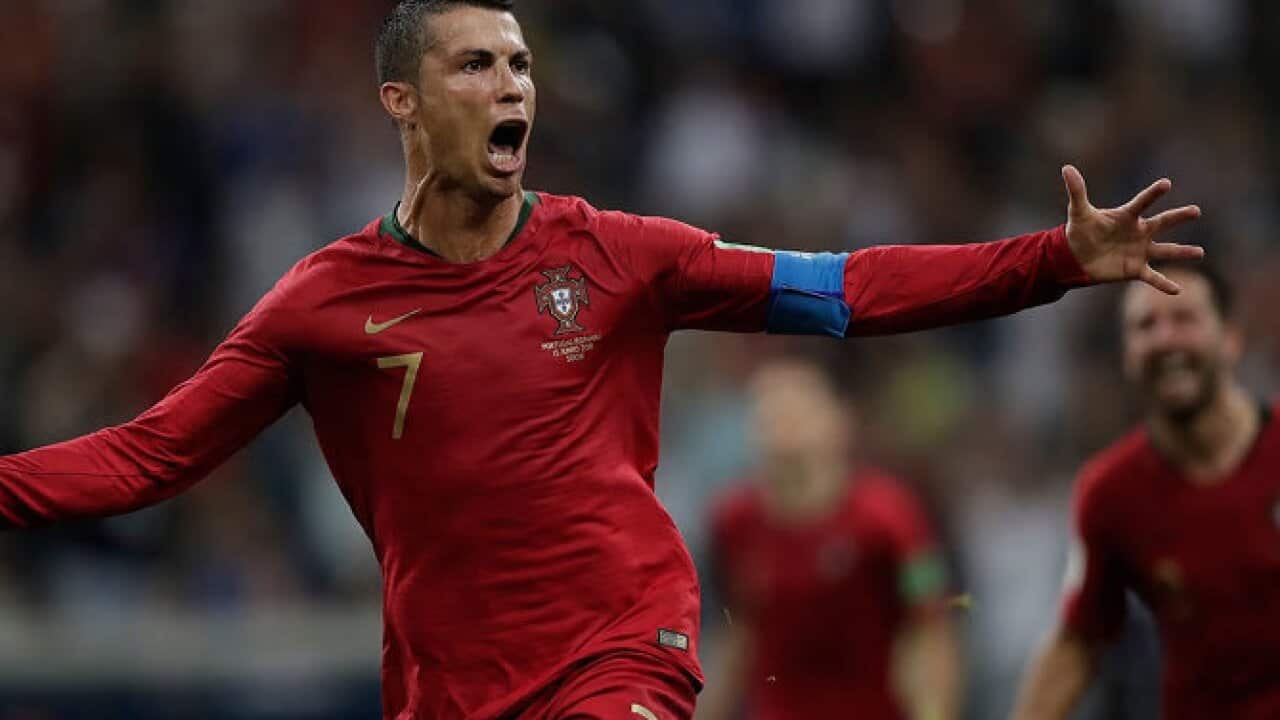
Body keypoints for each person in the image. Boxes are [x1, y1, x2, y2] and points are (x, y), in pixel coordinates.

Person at [0, 1, 1203, 718]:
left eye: (520, 64)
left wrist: (1047, 259)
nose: (510, 83)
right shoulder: (323, 302)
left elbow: (843, 291)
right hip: (447, 683)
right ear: (402, 102)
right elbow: (149, 453)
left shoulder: (621, 257)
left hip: (620, 638)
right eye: (475, 65)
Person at [1012, 260, 1280, 720]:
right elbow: (1077, 643)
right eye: (1145, 326)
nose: (1165, 340)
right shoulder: (1111, 493)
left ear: (1231, 340)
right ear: (1127, 355)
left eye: (1184, 319)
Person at [699, 359, 961, 720]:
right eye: (770, 413)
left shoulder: (891, 518)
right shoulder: (732, 523)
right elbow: (734, 634)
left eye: (798, 410)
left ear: (838, 421)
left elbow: (929, 629)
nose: (783, 425)